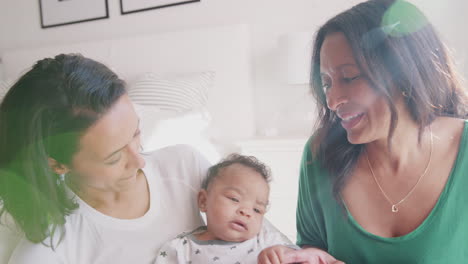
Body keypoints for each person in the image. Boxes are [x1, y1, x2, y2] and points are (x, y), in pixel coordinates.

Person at [267, 0, 468, 263]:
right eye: (326, 83)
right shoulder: (319, 153)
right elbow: (311, 249)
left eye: (349, 77)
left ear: (403, 73)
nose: (332, 101)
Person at [0, 54, 212, 264]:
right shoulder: (54, 244)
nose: (140, 162)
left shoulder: (186, 166)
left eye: (136, 133)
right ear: (57, 164)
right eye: (114, 158)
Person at [155, 154, 297, 264]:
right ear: (204, 201)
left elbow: (301, 257)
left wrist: (282, 254)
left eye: (257, 210)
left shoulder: (266, 239)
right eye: (234, 199)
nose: (246, 212)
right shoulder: (182, 248)